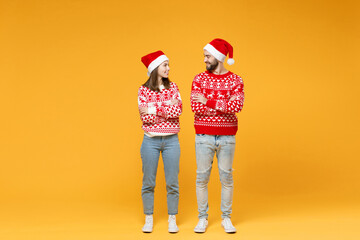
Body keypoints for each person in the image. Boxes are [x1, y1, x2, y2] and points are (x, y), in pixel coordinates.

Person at [190, 39, 245, 233]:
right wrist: (222, 104)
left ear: (219, 58)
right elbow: (195, 108)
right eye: (205, 56)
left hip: (227, 137)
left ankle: (226, 218)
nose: (205, 59)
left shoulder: (236, 80)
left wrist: (208, 101)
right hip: (204, 135)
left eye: (208, 56)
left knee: (227, 178)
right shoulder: (198, 79)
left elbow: (236, 107)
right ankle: (202, 218)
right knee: (202, 179)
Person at [138, 50, 182, 233]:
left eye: (168, 64)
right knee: (149, 182)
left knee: (172, 182)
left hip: (172, 141)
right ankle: (149, 218)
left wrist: (153, 108)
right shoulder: (143, 90)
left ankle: (172, 218)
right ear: (155, 68)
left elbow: (177, 111)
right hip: (150, 141)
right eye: (165, 65)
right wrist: (166, 106)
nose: (168, 68)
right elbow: (145, 117)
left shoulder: (174, 88)